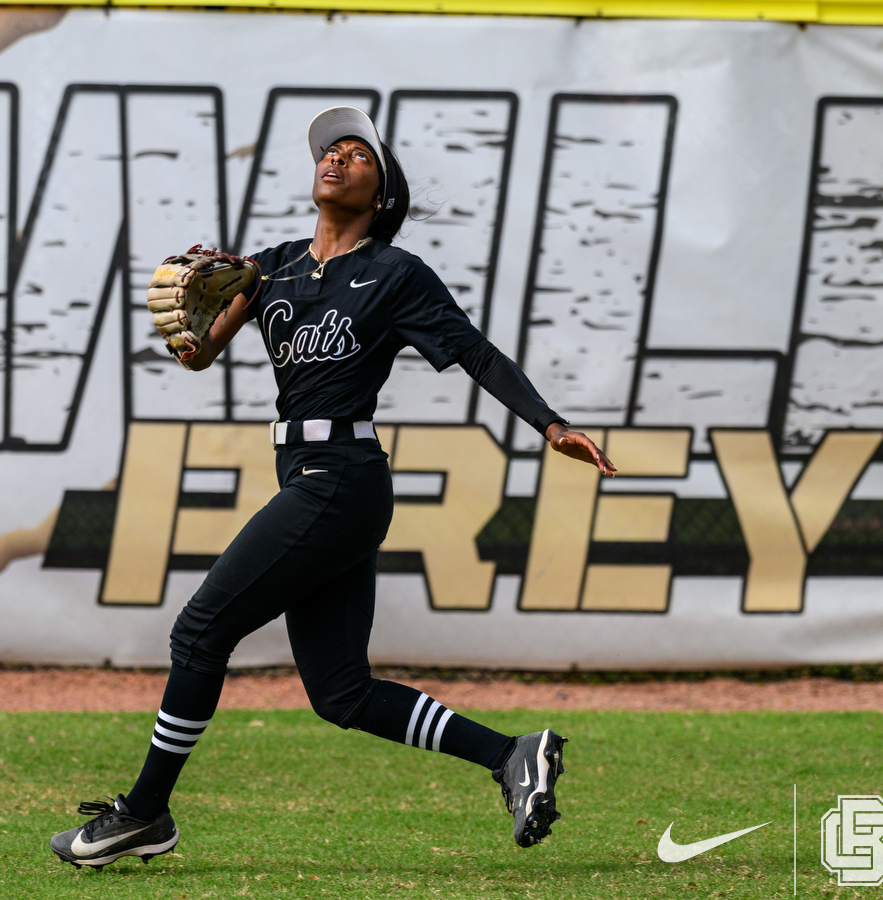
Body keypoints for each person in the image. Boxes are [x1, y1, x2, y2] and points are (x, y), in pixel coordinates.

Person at [50, 106, 616, 870]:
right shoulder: (272, 267)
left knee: (200, 631)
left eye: (357, 154)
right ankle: (513, 753)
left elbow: (475, 353)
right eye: (330, 150)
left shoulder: (395, 273)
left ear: (382, 193)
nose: (337, 158)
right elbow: (198, 353)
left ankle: (146, 812)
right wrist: (189, 315)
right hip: (311, 476)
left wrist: (550, 424)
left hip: (340, 477)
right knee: (342, 693)